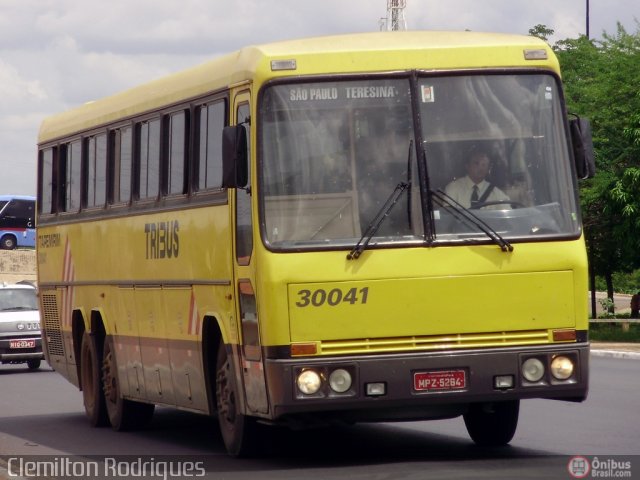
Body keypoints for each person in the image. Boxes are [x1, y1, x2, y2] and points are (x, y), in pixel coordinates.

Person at [444, 150, 511, 209]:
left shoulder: (496, 193)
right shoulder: (453, 188)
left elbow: (508, 216)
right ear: (467, 166)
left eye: (484, 165)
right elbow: (448, 216)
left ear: (488, 169)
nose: (480, 168)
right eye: (476, 163)